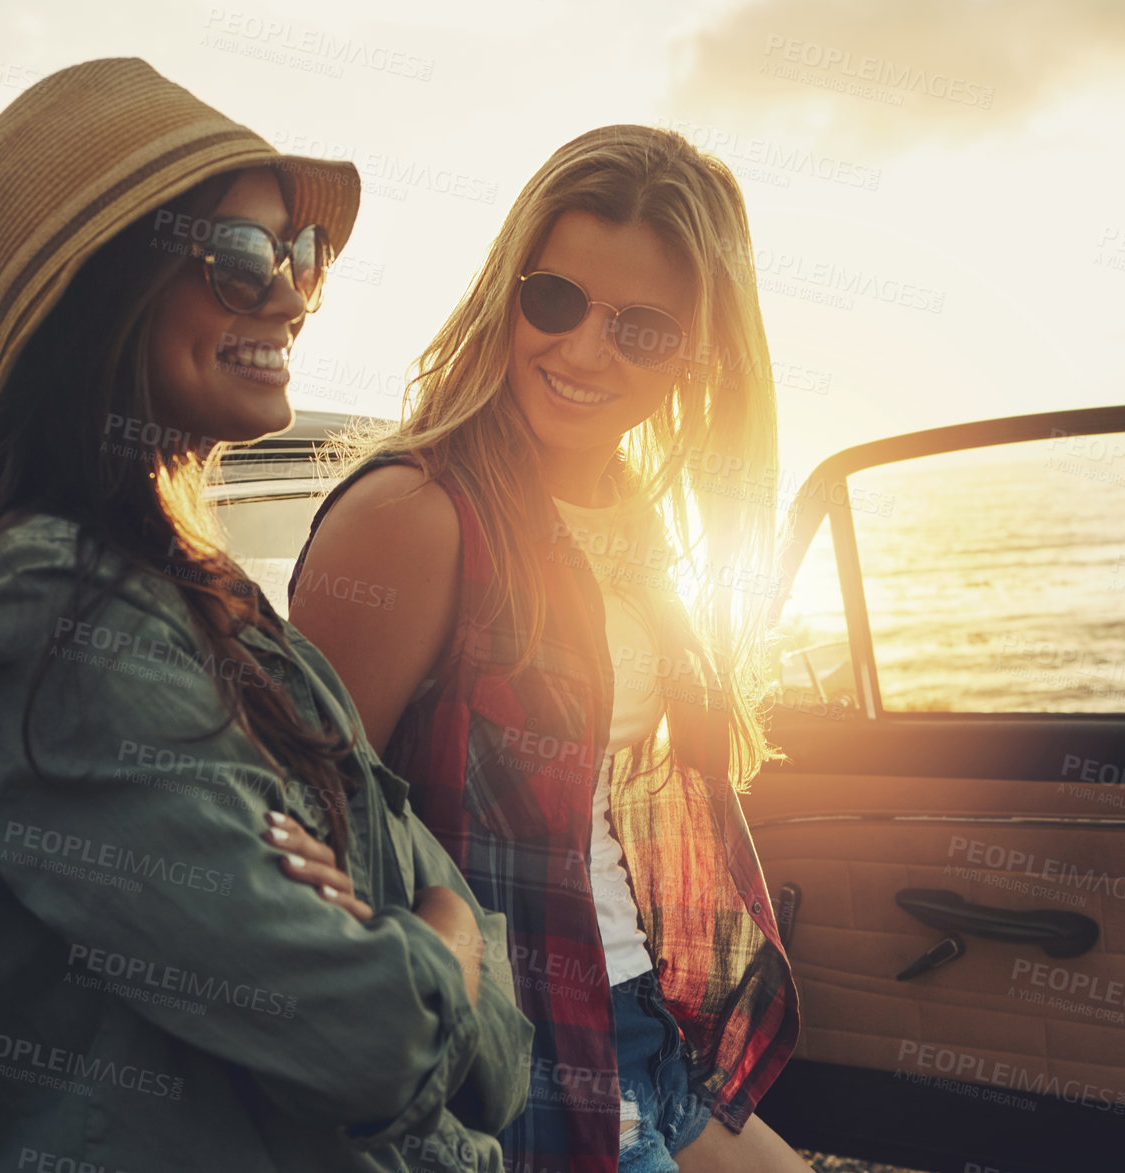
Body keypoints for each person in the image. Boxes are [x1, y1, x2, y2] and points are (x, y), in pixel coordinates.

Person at [0, 57, 531, 1172]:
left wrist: (418, 939)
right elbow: (374, 1036)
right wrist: (437, 937)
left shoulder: (215, 601)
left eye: (299, 254)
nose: (290, 294)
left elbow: (498, 1056)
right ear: (98, 295)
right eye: (235, 258)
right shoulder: (41, 607)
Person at [289, 125, 807, 1173]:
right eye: (557, 301)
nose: (580, 352)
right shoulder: (417, 515)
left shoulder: (628, 515)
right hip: (517, 1052)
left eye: (641, 331)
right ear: (507, 292)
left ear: (699, 359)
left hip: (641, 1026)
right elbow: (305, 834)